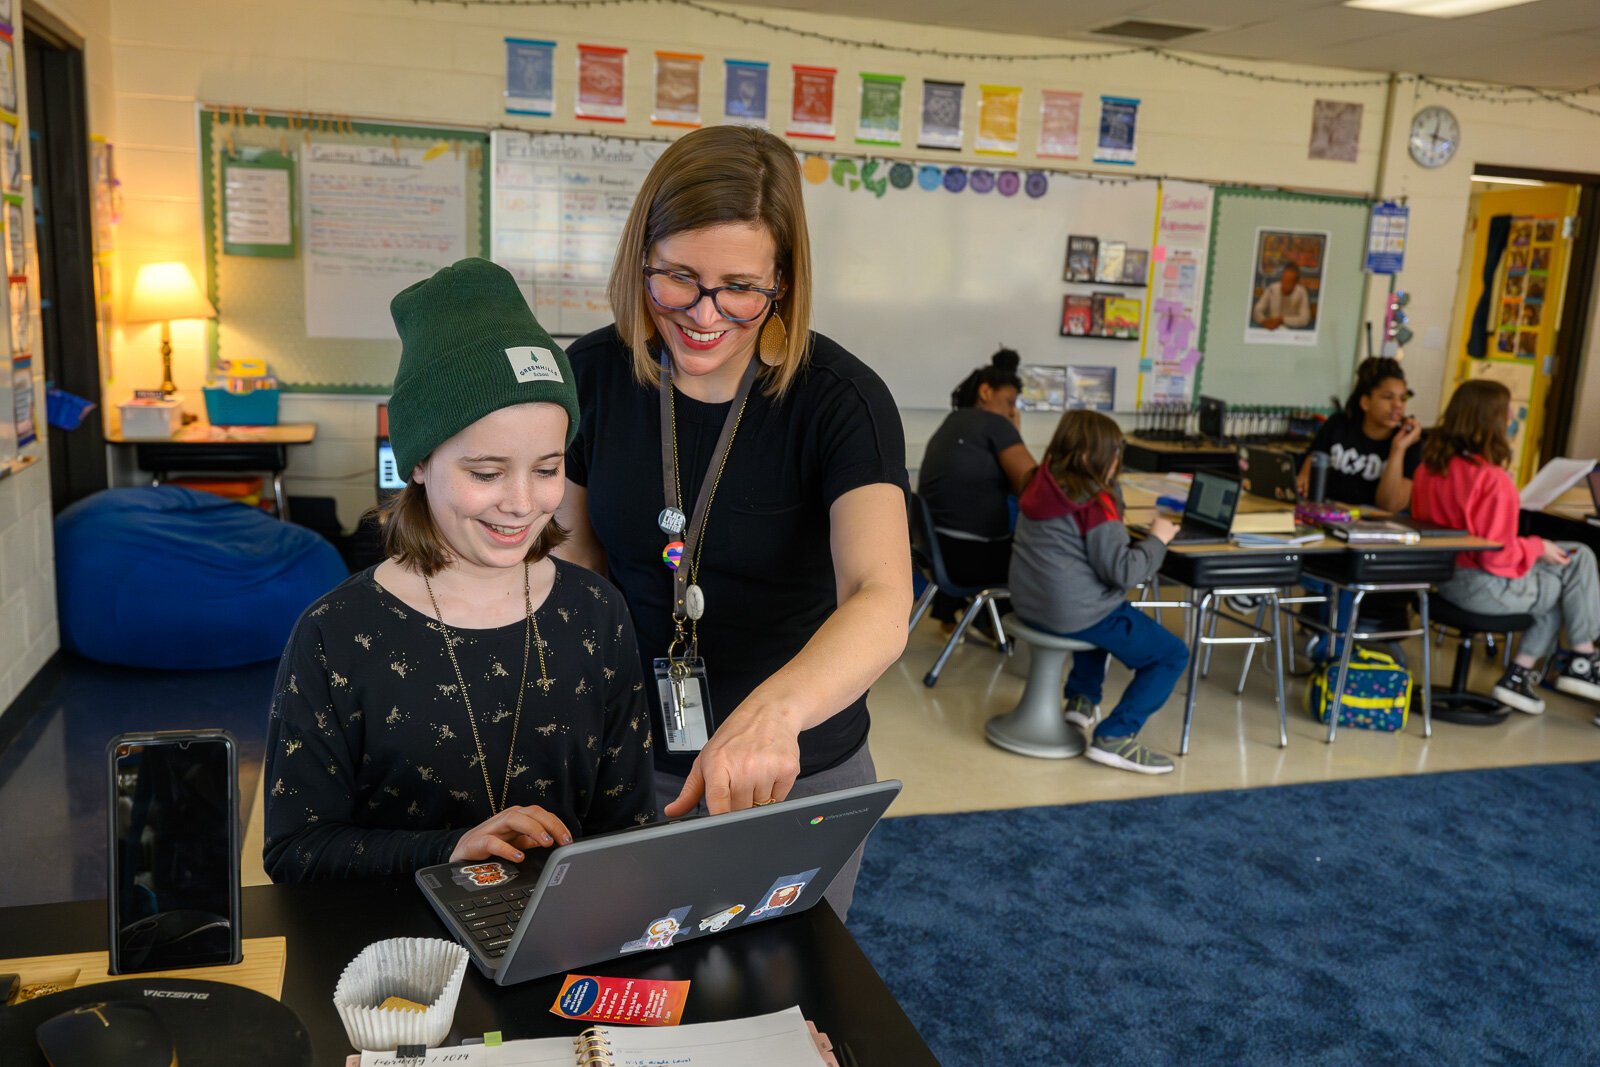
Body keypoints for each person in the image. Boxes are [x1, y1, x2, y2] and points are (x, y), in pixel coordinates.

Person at [554, 125, 911, 918]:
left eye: (741, 288)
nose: (704, 314)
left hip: (795, 771)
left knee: (777, 998)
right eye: (677, 278)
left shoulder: (843, 404)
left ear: (783, 281)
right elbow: (575, 569)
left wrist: (771, 716)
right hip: (626, 756)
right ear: (639, 261)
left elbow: (881, 598)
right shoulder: (593, 377)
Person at [263, 259, 656, 882]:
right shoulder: (334, 635)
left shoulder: (596, 613)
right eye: (487, 473)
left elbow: (630, 825)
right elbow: (297, 852)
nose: (523, 502)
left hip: (558, 949)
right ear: (418, 461)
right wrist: (447, 849)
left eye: (548, 468)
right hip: (396, 954)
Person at [1009, 410, 1188, 774]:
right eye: (1115, 453)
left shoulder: (1039, 481)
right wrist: (1158, 539)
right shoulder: (1092, 502)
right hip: (1071, 612)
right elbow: (1124, 572)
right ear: (1093, 457)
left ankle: (1082, 699)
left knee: (1103, 606)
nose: (1118, 461)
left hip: (1030, 602)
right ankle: (1115, 737)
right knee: (1170, 654)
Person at [1412, 378, 1600, 722]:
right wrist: (1535, 546)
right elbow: (1495, 557)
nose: (1514, 415)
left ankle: (1540, 669)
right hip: (1480, 588)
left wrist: (1535, 549)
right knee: (1565, 578)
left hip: (1442, 579)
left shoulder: (1429, 468)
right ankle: (1576, 660)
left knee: (1576, 556)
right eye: (1507, 410)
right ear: (1491, 421)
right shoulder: (1492, 480)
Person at [915, 347, 1038, 631]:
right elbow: (1035, 488)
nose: (1011, 411)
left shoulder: (954, 420)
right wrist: (1015, 431)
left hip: (937, 552)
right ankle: (1001, 628)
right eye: (1009, 401)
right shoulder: (996, 425)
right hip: (970, 558)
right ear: (985, 392)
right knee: (1038, 554)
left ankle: (961, 617)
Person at [1296, 357, 1422, 512]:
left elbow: (1390, 505)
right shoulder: (1338, 425)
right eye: (1388, 397)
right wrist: (1302, 484)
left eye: (1402, 398)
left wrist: (1398, 449)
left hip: (1374, 527)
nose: (1398, 405)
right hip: (1328, 514)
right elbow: (1308, 477)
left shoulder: (1410, 443)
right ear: (1365, 402)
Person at [1252, 262, 1312, 330]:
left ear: (1296, 283)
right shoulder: (1272, 288)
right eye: (1283, 279)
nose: (1284, 283)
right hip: (1272, 328)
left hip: (1292, 330)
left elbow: (1305, 319)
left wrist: (1282, 320)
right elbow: (1257, 310)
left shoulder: (1302, 292)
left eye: (1289, 281)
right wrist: (1264, 321)